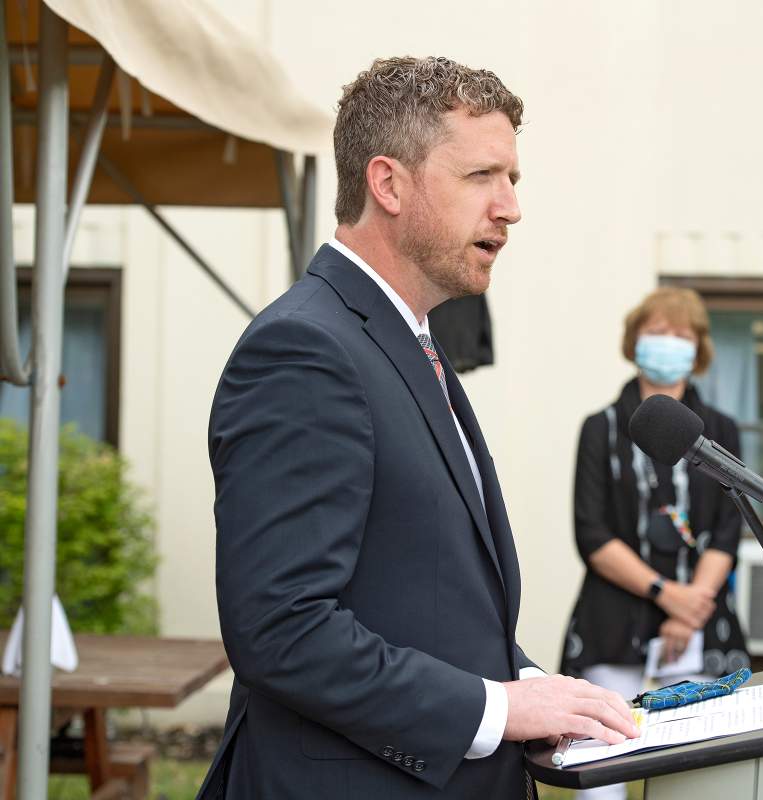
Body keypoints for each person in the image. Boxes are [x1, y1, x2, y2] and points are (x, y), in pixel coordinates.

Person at [196, 56, 638, 800]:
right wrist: (498, 707)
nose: (510, 207)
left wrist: (533, 688)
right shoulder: (305, 350)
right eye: (481, 177)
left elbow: (423, 596)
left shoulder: (408, 341)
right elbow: (283, 630)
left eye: (514, 180)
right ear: (388, 184)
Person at [560, 287, 749, 800]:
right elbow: (592, 534)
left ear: (700, 348)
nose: (668, 343)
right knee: (603, 783)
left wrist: (691, 610)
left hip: (701, 633)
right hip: (614, 627)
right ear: (634, 340)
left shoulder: (724, 430)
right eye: (657, 332)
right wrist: (670, 596)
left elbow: (728, 530)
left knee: (698, 785)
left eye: (681, 335)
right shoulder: (599, 429)